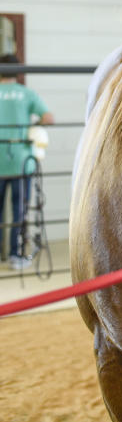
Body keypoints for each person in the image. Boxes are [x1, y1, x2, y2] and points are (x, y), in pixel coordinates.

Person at [0, 54, 53, 269]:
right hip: (21, 159)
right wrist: (34, 126)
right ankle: (15, 255)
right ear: (19, 71)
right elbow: (49, 118)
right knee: (19, 210)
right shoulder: (27, 94)